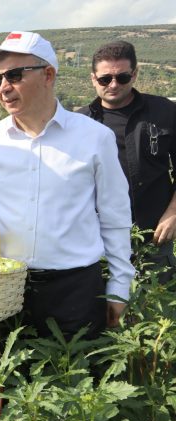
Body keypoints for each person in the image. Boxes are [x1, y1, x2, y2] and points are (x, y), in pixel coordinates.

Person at [0, 31, 134, 338]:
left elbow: (115, 214)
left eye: (14, 75)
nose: (3, 88)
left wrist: (120, 286)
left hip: (76, 291)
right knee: (5, 381)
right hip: (3, 287)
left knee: (78, 383)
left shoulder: (95, 139)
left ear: (49, 74)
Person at [77, 41, 176, 282]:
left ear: (134, 74)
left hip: (154, 236)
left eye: (122, 77)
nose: (113, 85)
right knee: (104, 314)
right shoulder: (79, 124)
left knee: (156, 313)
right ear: (93, 78)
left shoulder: (165, 112)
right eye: (105, 79)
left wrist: (174, 213)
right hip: (97, 240)